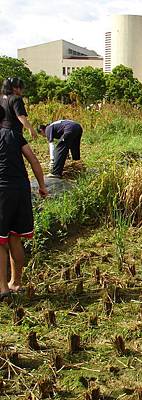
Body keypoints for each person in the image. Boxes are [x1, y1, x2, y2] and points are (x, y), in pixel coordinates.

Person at [0, 106, 48, 298]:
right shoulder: (13, 134)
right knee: (14, 236)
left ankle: (3, 289)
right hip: (20, 188)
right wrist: (42, 186)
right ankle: (16, 282)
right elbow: (34, 161)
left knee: (0, 241)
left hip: (2, 192)